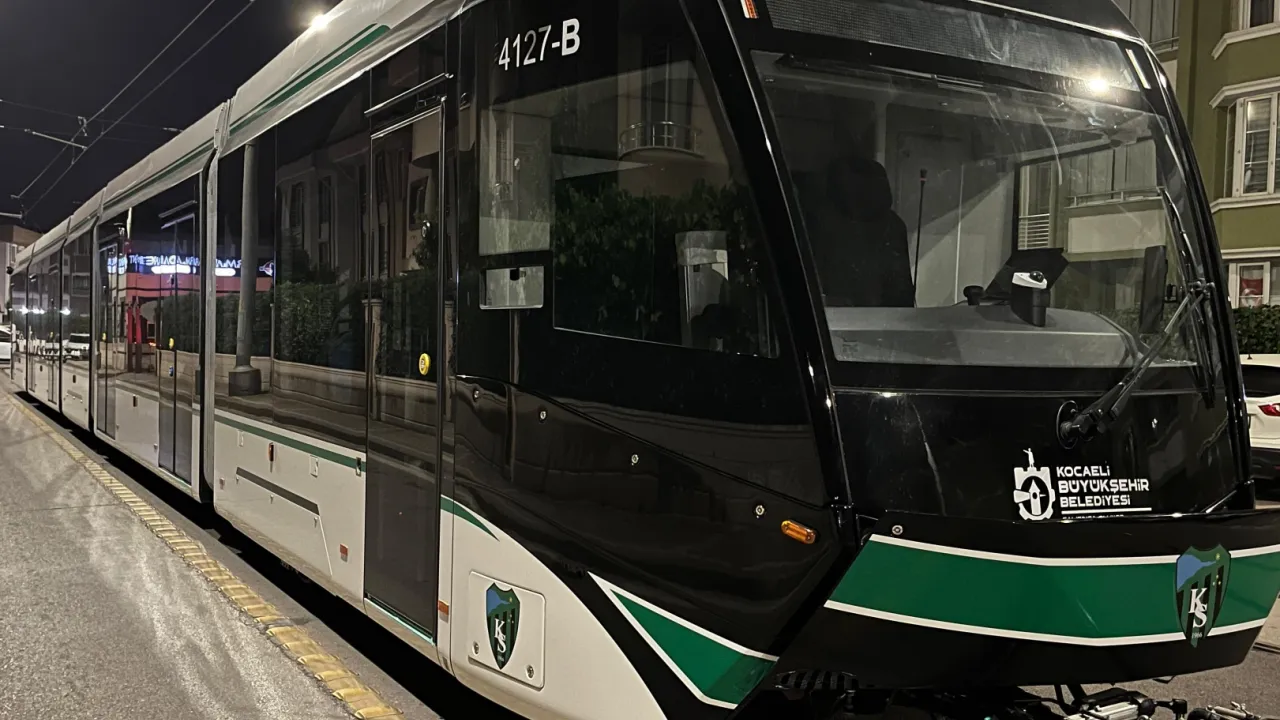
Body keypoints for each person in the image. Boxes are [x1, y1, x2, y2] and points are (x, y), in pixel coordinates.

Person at [796, 154, 916, 308]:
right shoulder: (895, 225)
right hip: (864, 318)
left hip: (839, 319)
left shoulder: (821, 220)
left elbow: (901, 293)